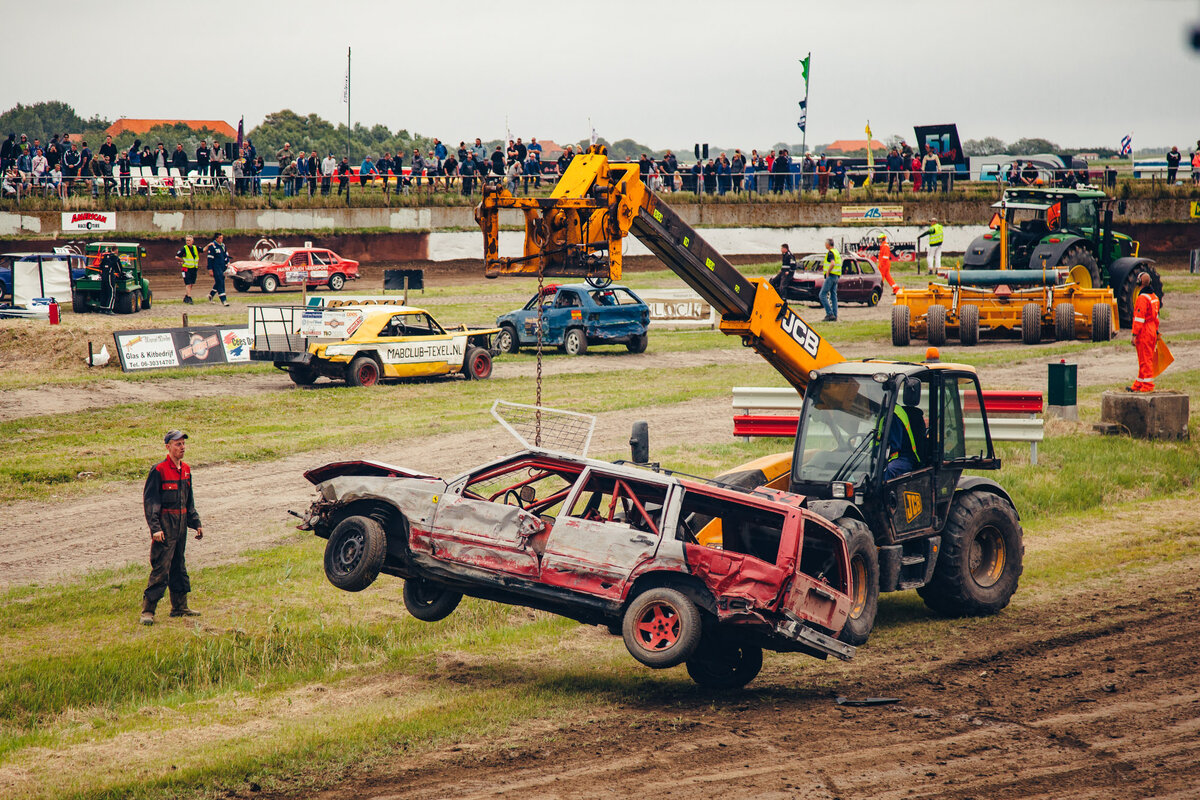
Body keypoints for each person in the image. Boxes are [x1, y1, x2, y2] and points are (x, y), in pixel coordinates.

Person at [140, 430, 204, 625]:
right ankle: (148, 611)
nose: (182, 447)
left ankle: (179, 607)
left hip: (182, 525)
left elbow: (188, 501)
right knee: (161, 568)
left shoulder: (186, 469)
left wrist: (196, 523)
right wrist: (155, 529)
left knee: (179, 566)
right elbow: (151, 503)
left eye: (183, 443)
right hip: (165, 527)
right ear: (168, 446)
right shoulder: (158, 470)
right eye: (178, 444)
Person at [1128, 272, 1160, 392]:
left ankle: (1147, 385)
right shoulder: (1154, 297)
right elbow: (1156, 317)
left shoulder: (1142, 298)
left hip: (1145, 331)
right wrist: (1156, 332)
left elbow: (1139, 318)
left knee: (1145, 359)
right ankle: (1138, 384)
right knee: (1145, 358)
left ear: (1139, 282)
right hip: (1152, 329)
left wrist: (1134, 334)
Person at [204, 233, 230, 306]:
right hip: (216, 267)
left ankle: (211, 295)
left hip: (222, 267)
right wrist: (210, 269)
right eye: (220, 238)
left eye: (222, 238)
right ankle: (223, 300)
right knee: (221, 282)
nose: (222, 239)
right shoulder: (212, 246)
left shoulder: (223, 245)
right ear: (216, 238)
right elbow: (210, 259)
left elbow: (226, 255)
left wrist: (227, 262)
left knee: (219, 281)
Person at [820, 238, 842, 322]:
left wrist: (828, 272)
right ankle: (835, 315)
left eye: (825, 243)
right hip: (836, 276)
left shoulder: (830, 253)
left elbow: (832, 263)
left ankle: (829, 314)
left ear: (828, 245)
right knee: (833, 296)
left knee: (822, 295)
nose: (825, 245)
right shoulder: (836, 252)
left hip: (831, 276)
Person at [176, 235, 200, 304]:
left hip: (194, 268)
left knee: (191, 283)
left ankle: (186, 297)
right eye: (187, 240)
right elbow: (177, 256)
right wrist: (182, 260)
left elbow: (202, 250)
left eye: (189, 240)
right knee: (188, 283)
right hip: (186, 268)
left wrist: (209, 245)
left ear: (192, 241)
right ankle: (189, 298)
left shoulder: (195, 248)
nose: (188, 242)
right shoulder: (184, 248)